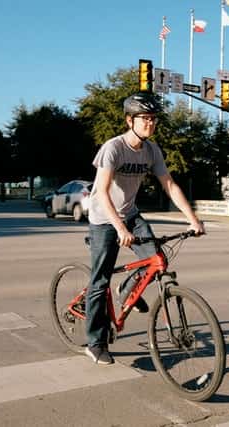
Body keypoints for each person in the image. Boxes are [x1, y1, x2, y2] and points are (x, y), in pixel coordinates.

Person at [85, 92, 205, 365]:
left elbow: (170, 185)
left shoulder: (152, 151)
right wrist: (119, 229)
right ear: (130, 121)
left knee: (156, 260)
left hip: (131, 214)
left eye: (153, 119)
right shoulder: (113, 148)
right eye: (145, 118)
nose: (150, 123)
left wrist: (192, 219)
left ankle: (127, 287)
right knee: (99, 281)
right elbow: (101, 192)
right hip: (104, 218)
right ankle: (95, 342)